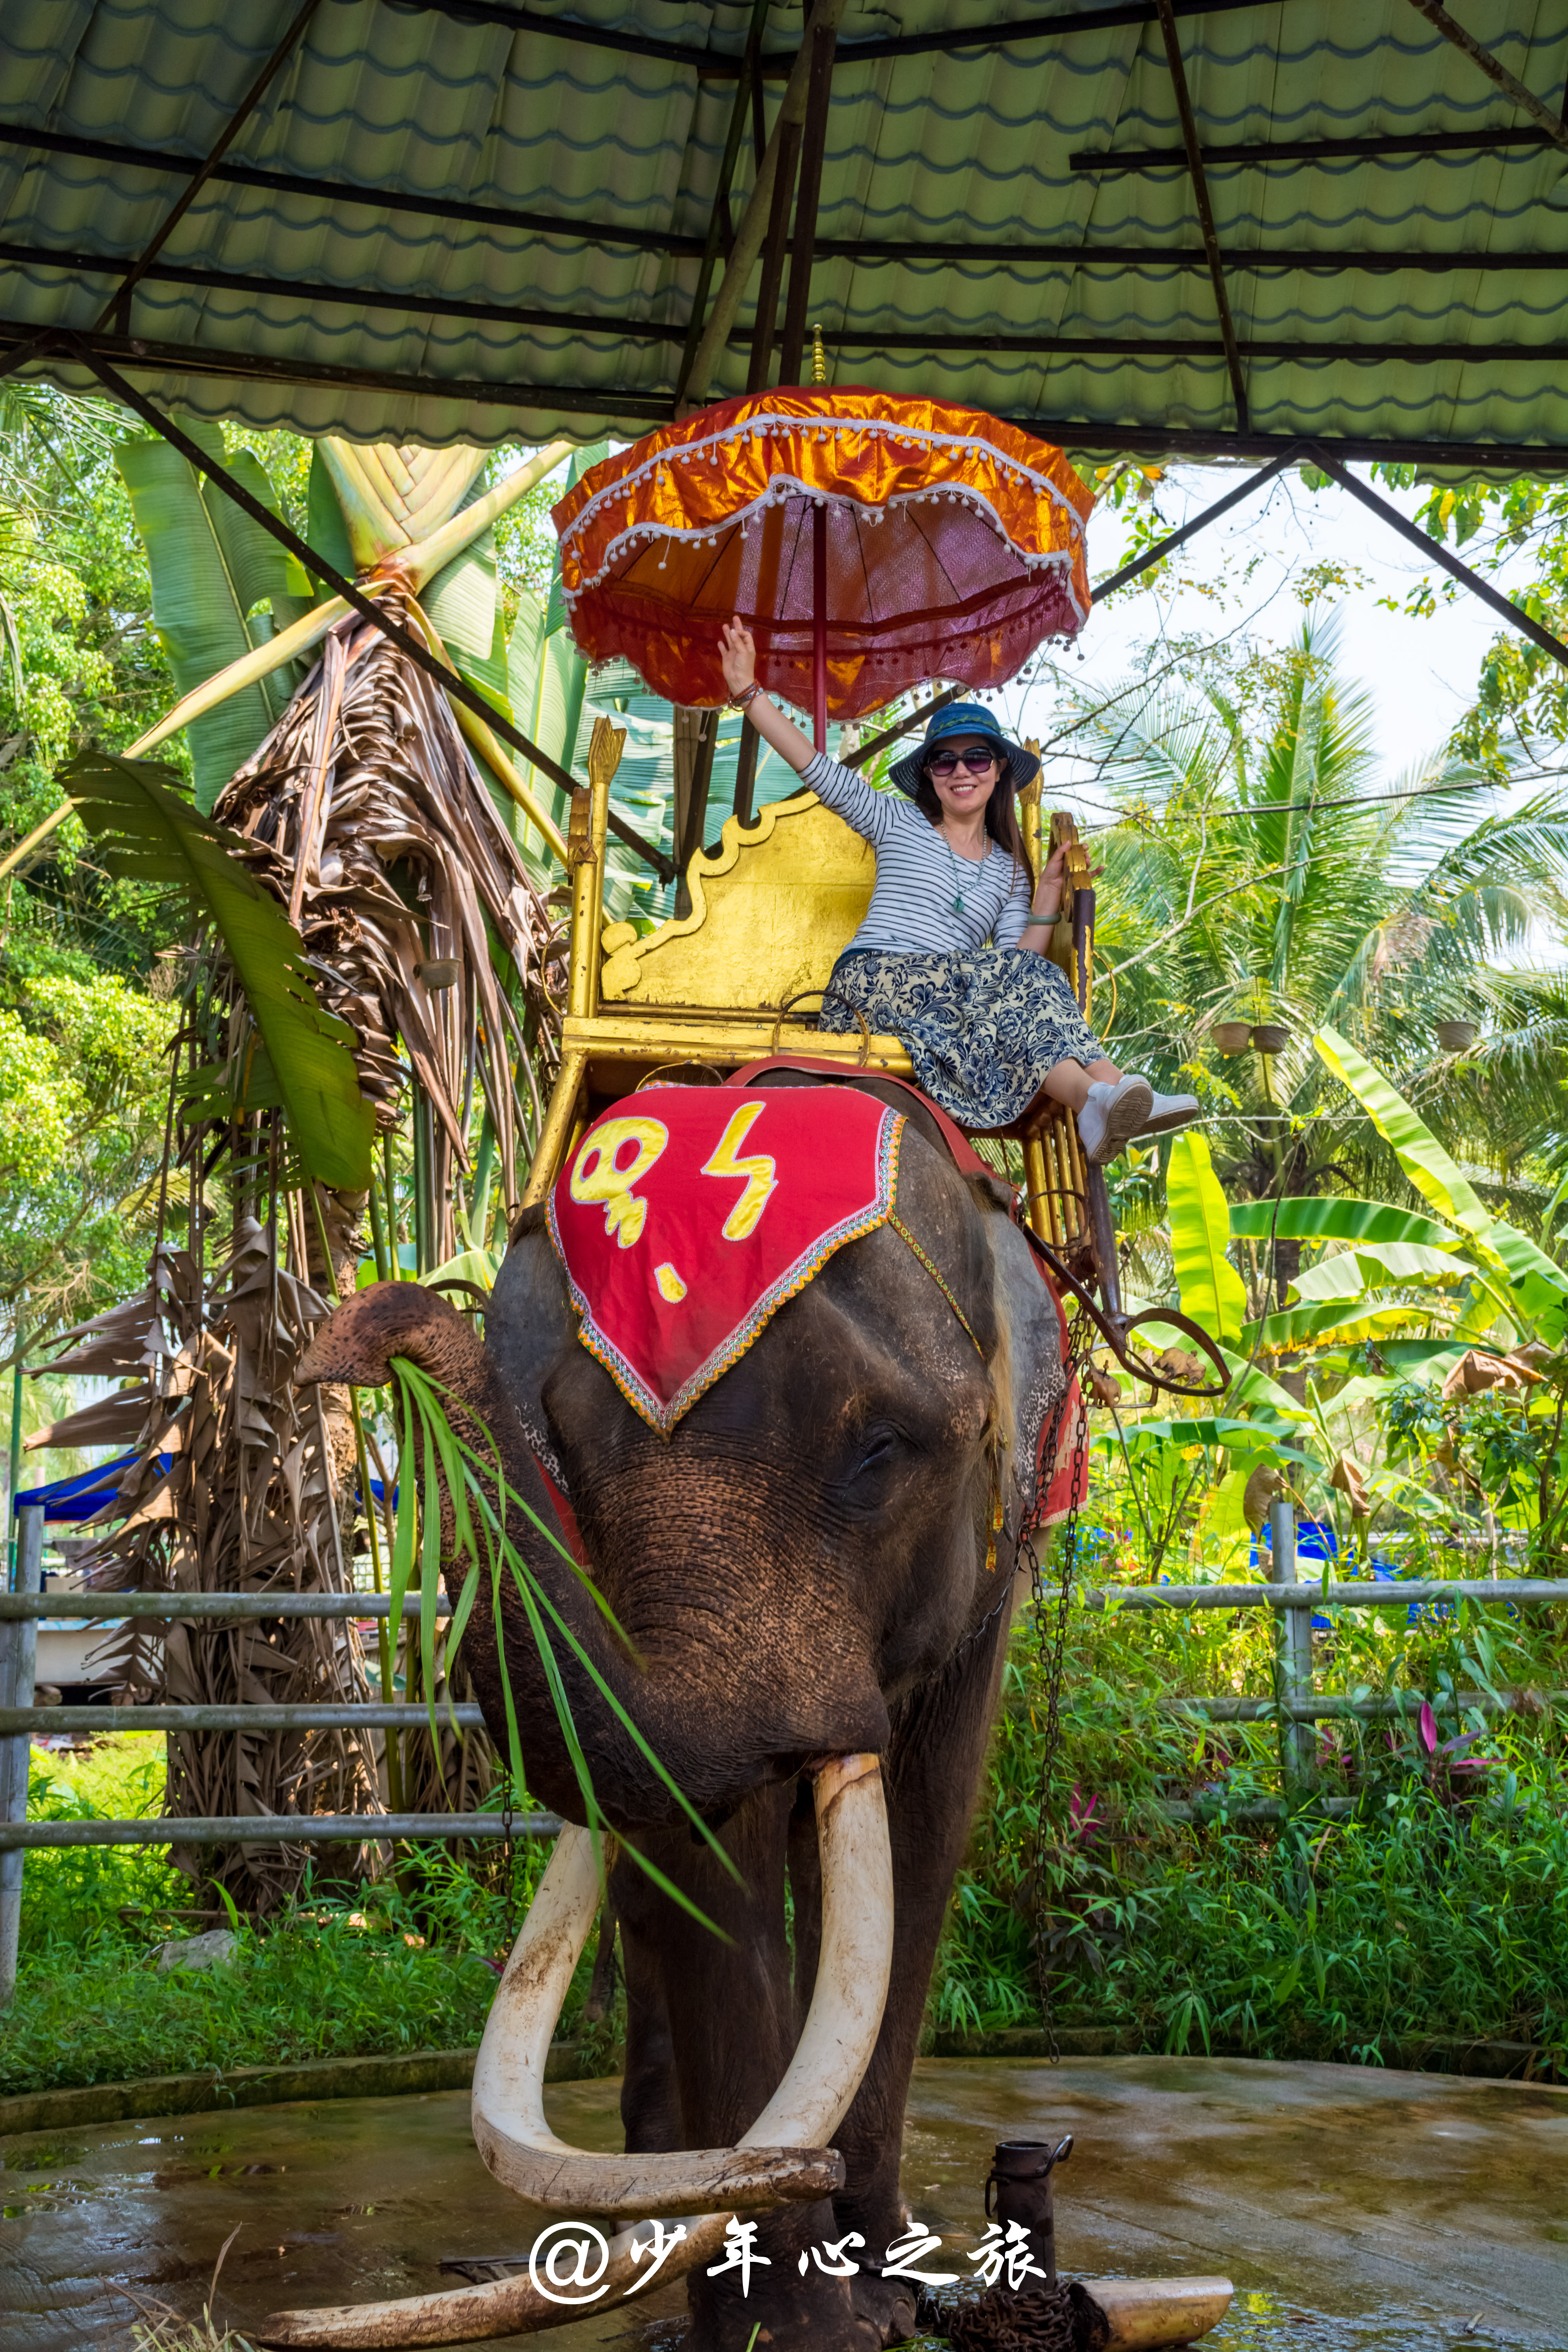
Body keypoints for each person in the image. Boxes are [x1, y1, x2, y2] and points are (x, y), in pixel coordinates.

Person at [717, 617, 1198, 1161]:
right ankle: (1108, 1092)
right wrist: (748, 692)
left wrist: (1042, 901)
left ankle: (1102, 1098)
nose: (960, 770)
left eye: (976, 758)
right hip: (873, 987)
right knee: (1025, 983)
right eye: (944, 759)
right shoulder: (895, 821)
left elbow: (1021, 973)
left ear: (997, 772)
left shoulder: (1008, 869)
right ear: (929, 774)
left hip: (947, 1005)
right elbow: (816, 768)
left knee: (1027, 998)